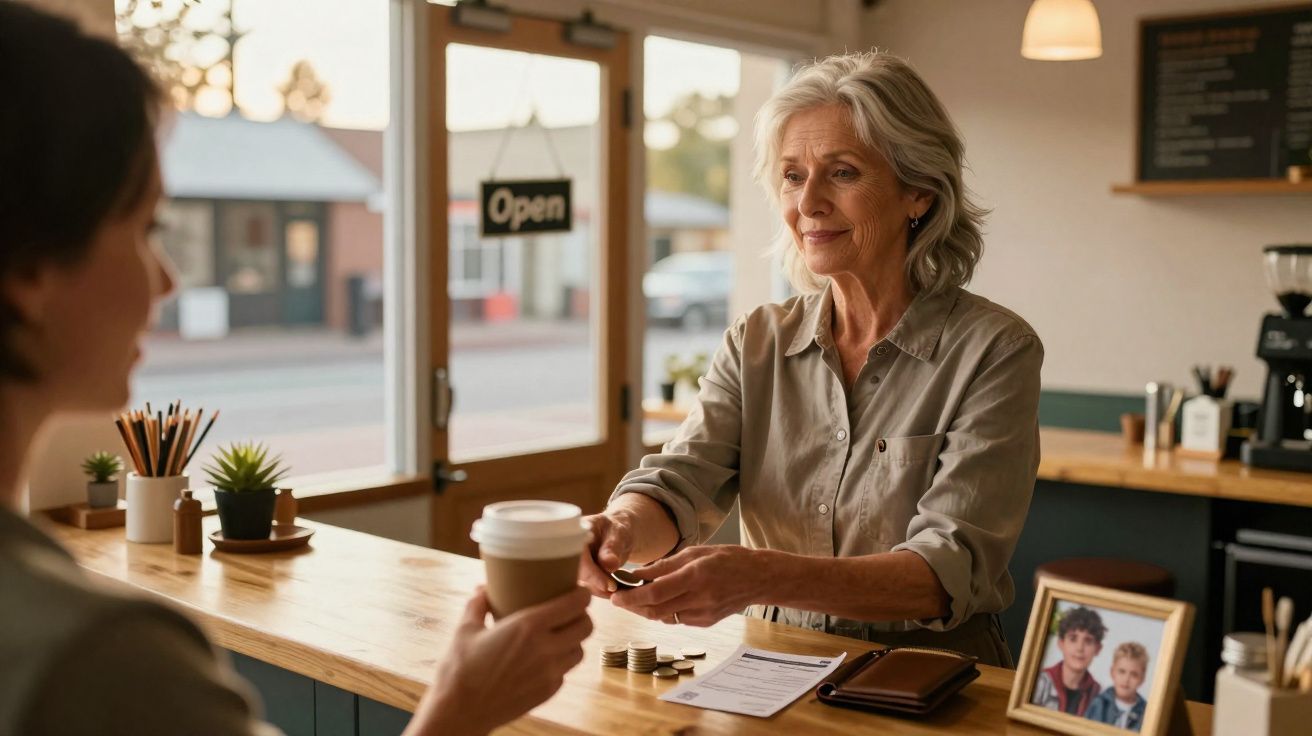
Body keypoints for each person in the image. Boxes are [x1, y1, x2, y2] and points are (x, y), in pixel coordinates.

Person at [0, 5, 590, 735]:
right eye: (147, 228)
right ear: (30, 268)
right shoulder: (100, 662)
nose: (166, 281)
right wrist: (461, 710)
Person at [579, 50, 1042, 666]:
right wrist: (621, 529)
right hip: (770, 667)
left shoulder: (995, 350)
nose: (809, 203)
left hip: (930, 679)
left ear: (919, 195)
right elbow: (682, 481)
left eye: (843, 173)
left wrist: (760, 575)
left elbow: (946, 572)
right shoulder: (757, 340)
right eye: (793, 176)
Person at [1031, 607, 1105, 716]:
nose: (1080, 648)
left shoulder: (1098, 694)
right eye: (1073, 639)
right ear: (1061, 643)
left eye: (1088, 641)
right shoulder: (1039, 682)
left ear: (1098, 649)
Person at [1085, 642, 1149, 731]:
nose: (1126, 679)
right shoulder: (1099, 704)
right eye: (1122, 671)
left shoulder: (1146, 713)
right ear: (1112, 672)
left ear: (1142, 679)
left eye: (1134, 675)